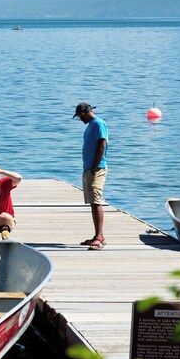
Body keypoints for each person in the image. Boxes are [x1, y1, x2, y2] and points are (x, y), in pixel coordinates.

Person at [73, 102, 109, 250]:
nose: (80, 119)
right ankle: (97, 236)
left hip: (97, 169)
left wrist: (95, 165)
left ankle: (99, 238)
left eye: (79, 116)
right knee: (93, 203)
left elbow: (102, 144)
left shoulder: (99, 123)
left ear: (84, 113)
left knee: (96, 201)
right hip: (89, 169)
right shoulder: (91, 125)